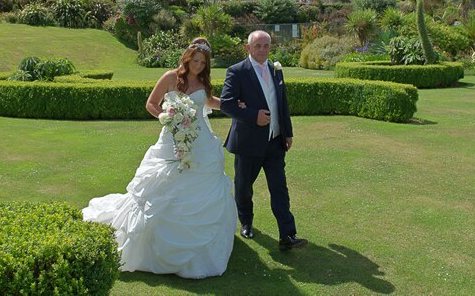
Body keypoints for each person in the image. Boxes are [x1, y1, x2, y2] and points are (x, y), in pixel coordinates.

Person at [83, 38, 237, 279]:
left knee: (204, 184)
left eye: (202, 62)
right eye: (195, 60)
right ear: (187, 57)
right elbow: (151, 104)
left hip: (201, 142)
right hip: (170, 140)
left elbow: (209, 103)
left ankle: (201, 243)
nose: (197, 65)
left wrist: (234, 106)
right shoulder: (170, 77)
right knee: (160, 188)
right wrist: (167, 117)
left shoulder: (203, 82)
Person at [220, 30, 308, 251]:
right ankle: (246, 222)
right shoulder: (237, 71)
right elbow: (226, 104)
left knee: (280, 189)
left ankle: (287, 235)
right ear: (248, 48)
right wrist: (253, 116)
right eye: (257, 46)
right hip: (248, 143)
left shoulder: (276, 70)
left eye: (266, 45)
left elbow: (282, 104)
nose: (262, 49)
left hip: (275, 142)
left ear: (271, 47)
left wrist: (287, 132)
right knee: (243, 188)